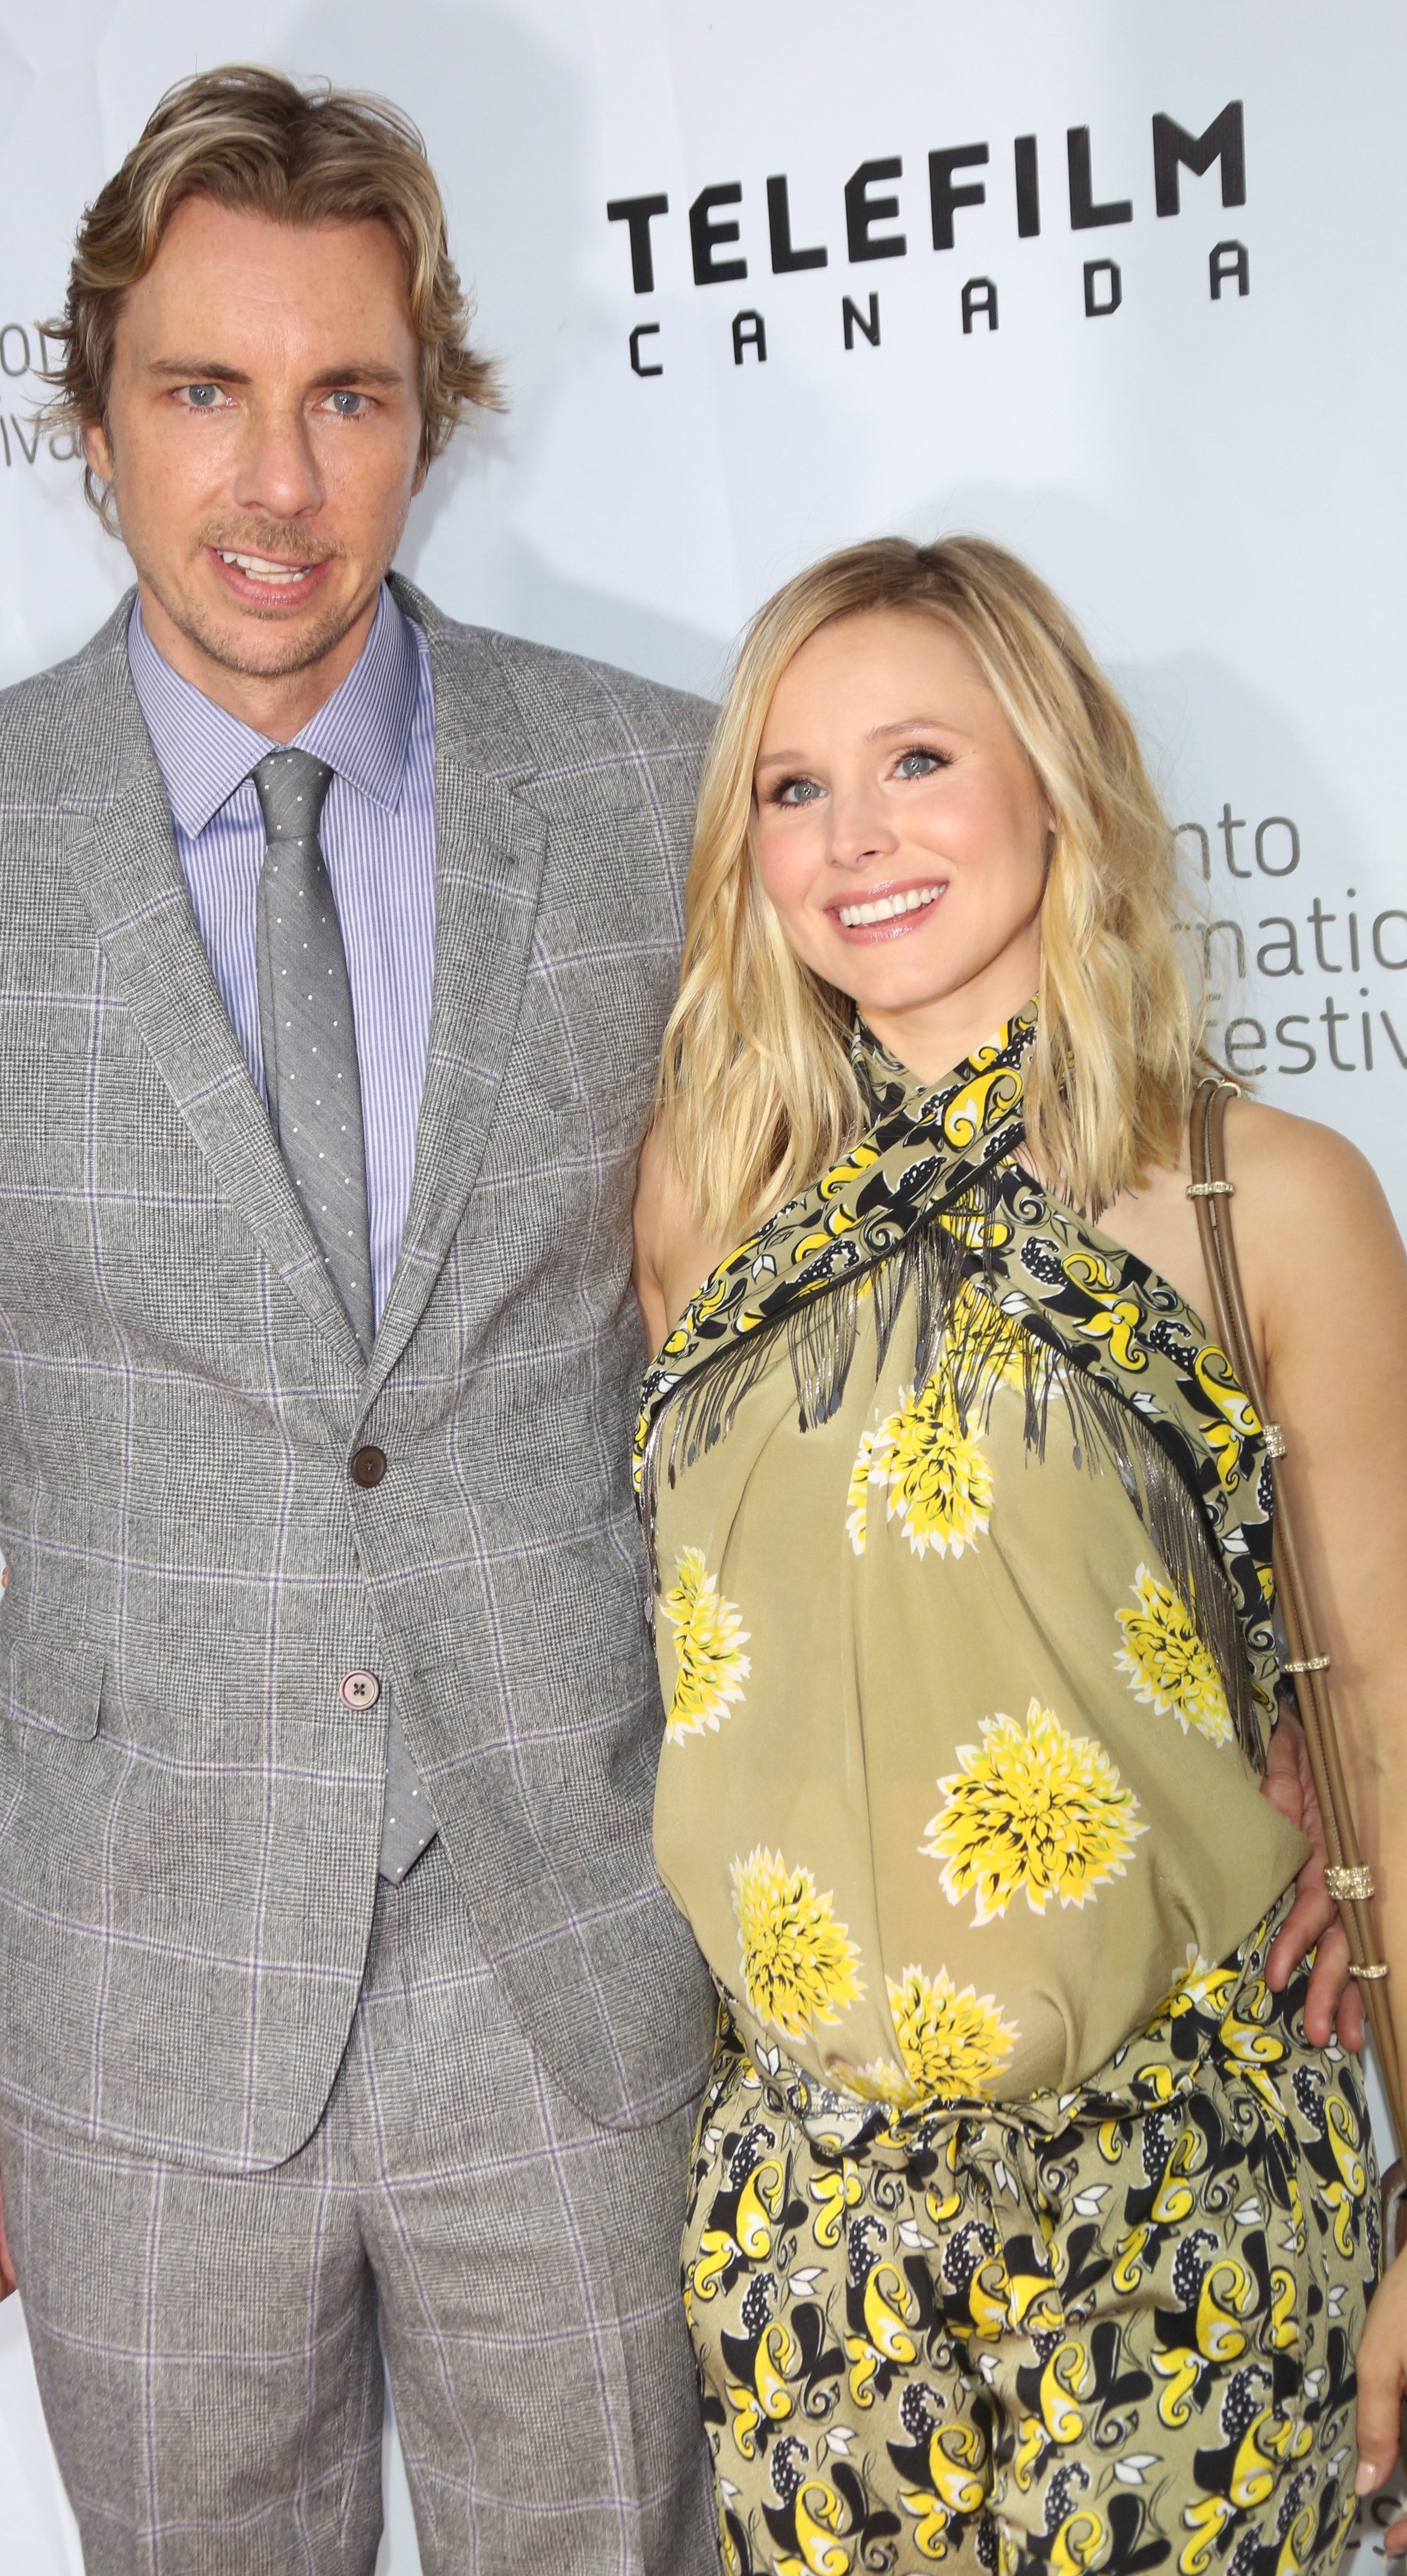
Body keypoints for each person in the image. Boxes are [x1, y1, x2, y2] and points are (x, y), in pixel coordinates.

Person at [0, 65, 723, 2575]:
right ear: (92, 424)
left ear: (428, 422)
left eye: (346, 399)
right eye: (203, 393)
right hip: (130, 1993)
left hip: (579, 1965)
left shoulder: (661, 801)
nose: (276, 481)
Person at [632, 535, 1407, 2574]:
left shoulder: (1263, 1193)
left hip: (1194, 2197)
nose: (854, 838)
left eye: (916, 760)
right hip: (812, 2230)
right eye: (792, 786)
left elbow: (1391, 1717)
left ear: (1058, 783)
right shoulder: (703, 1202)